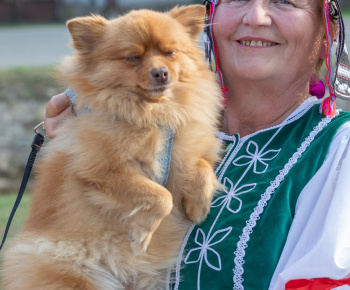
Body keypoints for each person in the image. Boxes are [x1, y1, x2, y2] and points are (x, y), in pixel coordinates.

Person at [44, 0, 350, 289]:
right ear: (212, 21)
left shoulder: (339, 151)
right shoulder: (148, 122)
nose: (255, 17)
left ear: (327, 33)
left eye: (284, 1)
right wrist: (86, 116)